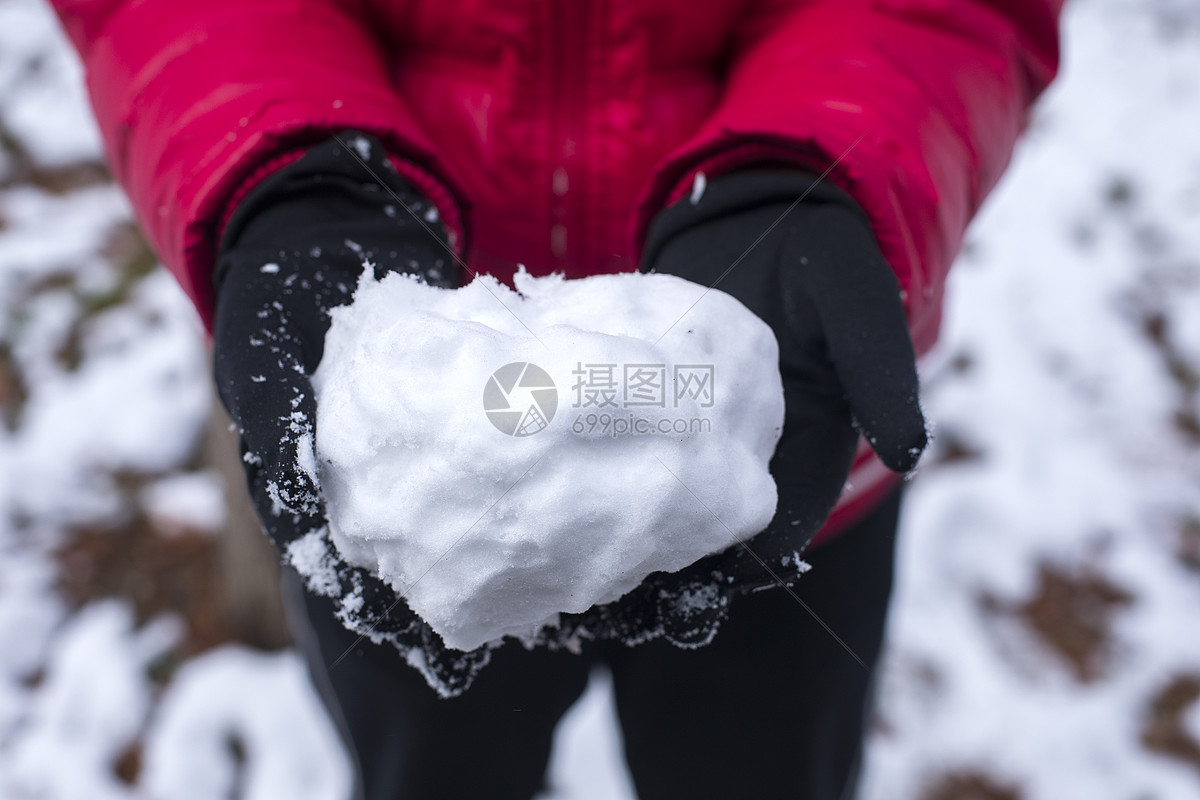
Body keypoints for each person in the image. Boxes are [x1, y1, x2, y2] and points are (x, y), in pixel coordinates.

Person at [48, 1, 1062, 797]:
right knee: (433, 776)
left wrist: (808, 168)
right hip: (408, 474)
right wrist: (290, 170)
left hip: (780, 441)